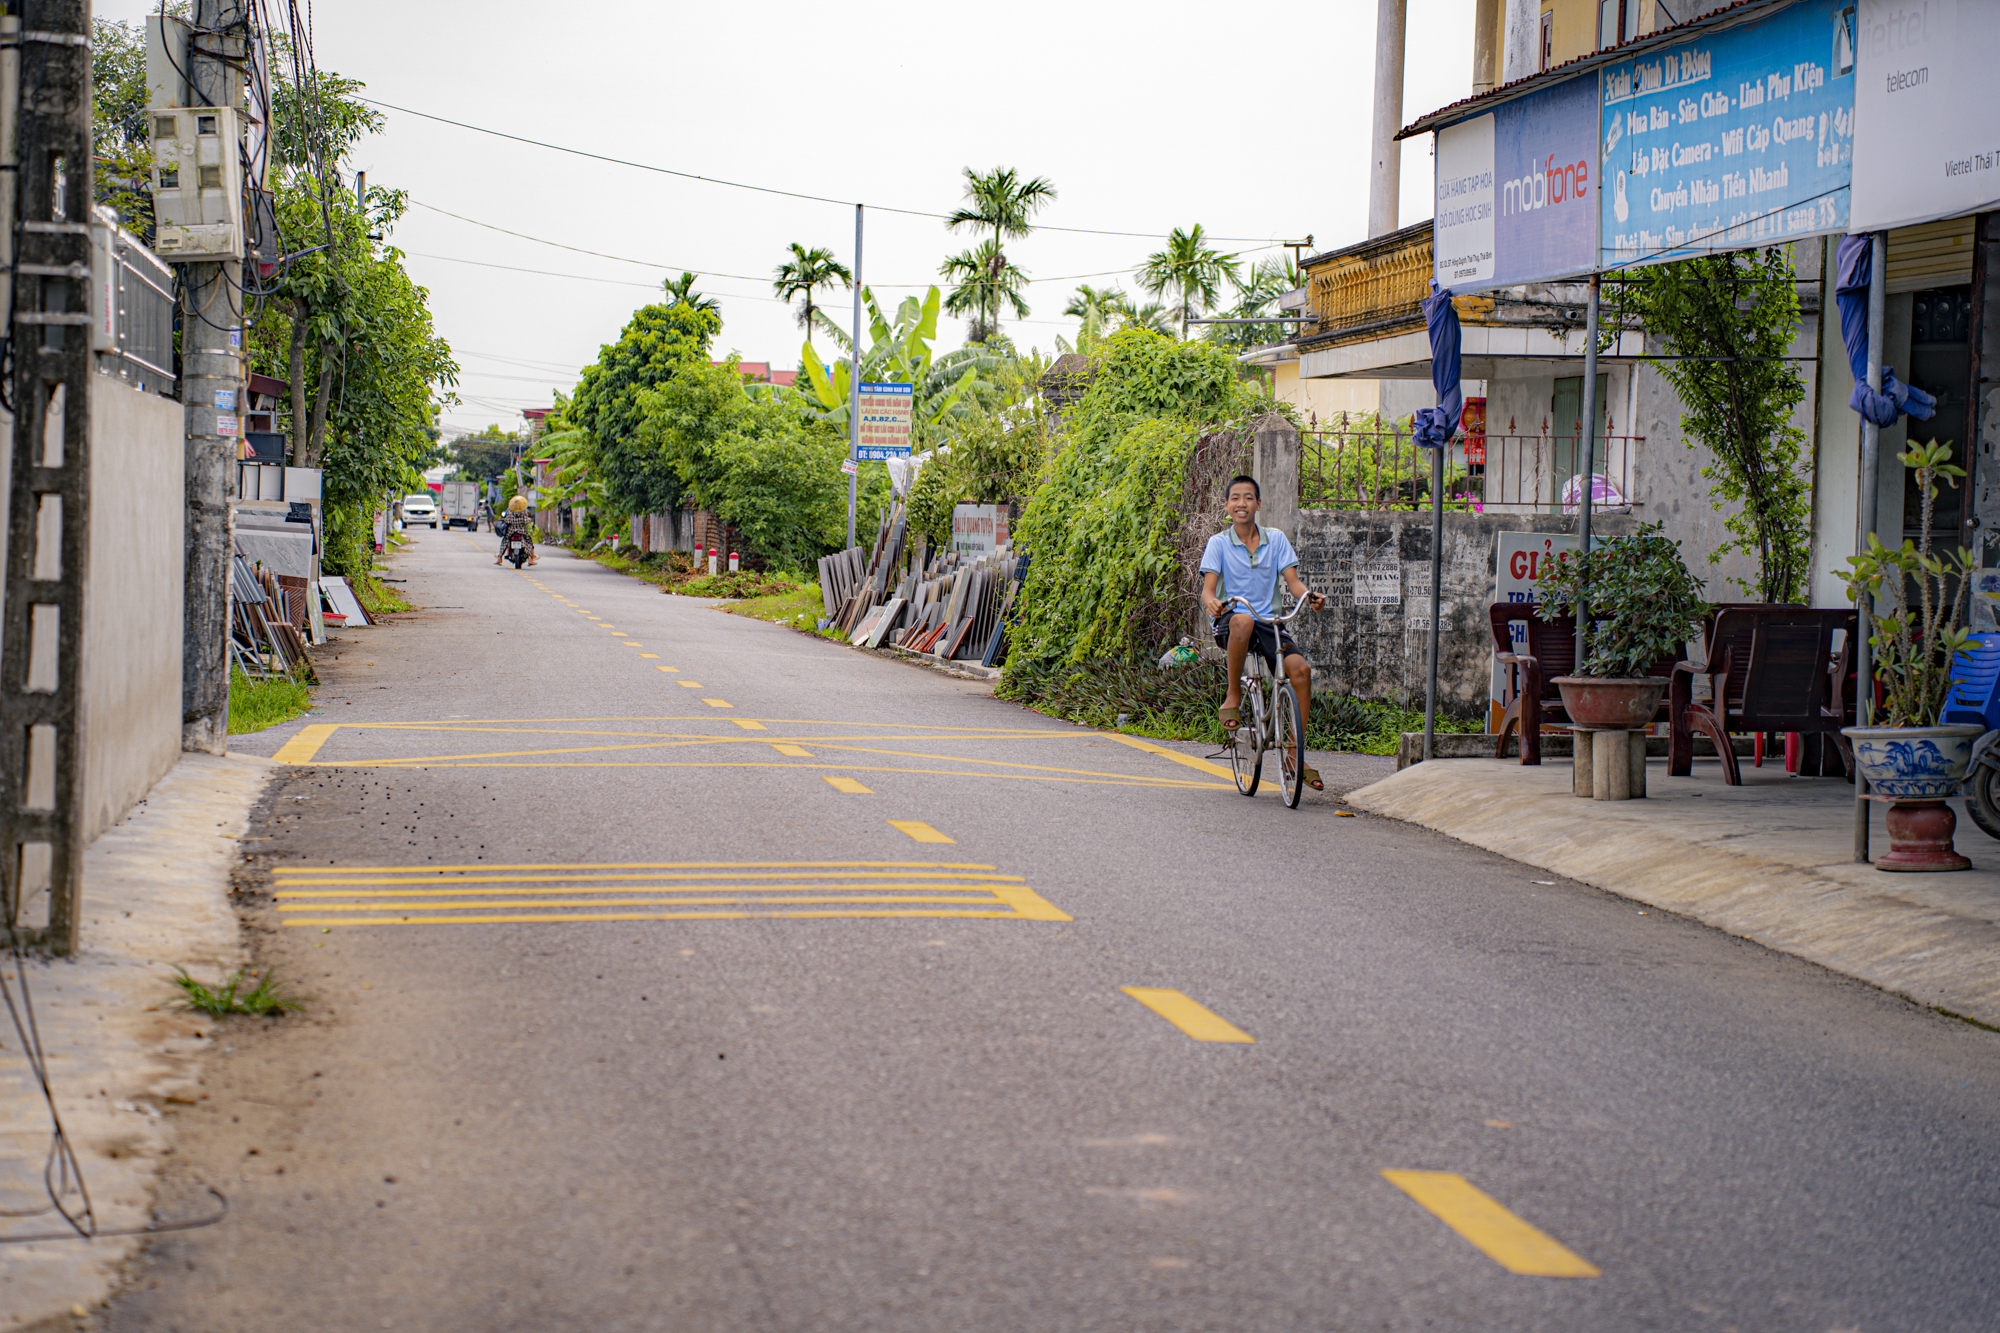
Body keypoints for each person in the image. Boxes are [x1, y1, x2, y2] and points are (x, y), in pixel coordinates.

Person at [1199, 474, 1327, 791]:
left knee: (1301, 671)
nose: (1241, 503)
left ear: (1258, 504)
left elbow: (1293, 582)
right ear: (1227, 505)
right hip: (1232, 620)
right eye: (1235, 498)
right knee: (1243, 620)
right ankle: (1233, 693)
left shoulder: (1276, 539)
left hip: (1269, 621)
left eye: (1248, 497)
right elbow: (1208, 590)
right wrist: (1212, 602)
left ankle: (1294, 755)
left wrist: (1309, 597)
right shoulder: (1218, 543)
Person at [494, 495, 538, 567]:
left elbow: (507, 520)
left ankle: (500, 557)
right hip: (522, 531)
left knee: (505, 541)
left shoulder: (509, 510)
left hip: (511, 531)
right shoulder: (524, 511)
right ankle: (530, 559)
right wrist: (528, 520)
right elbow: (526, 520)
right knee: (528, 542)